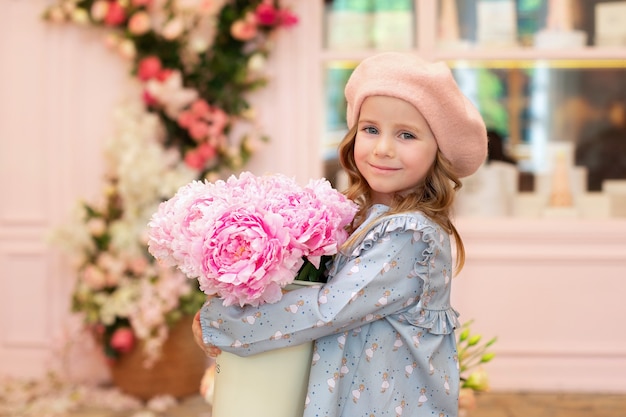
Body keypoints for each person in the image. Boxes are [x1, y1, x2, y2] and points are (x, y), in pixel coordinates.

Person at [192, 52, 487, 416]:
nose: (383, 148)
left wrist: (222, 321)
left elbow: (329, 308)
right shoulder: (359, 218)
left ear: (438, 152)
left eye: (407, 135)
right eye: (371, 129)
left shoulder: (411, 234)